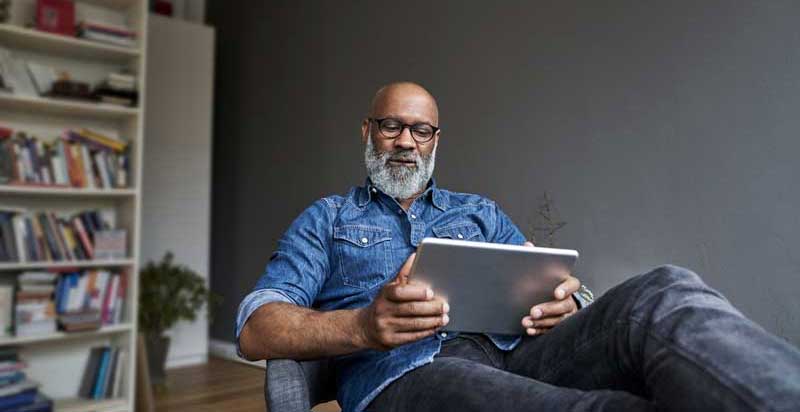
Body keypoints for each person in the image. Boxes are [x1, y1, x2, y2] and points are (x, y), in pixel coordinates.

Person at [236, 82, 800, 412]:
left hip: (518, 353)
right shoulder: (329, 218)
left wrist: (569, 302)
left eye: (421, 130)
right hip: (405, 374)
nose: (406, 141)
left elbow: (550, 281)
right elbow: (256, 327)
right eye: (391, 126)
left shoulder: (478, 212)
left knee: (665, 292)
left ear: (435, 141)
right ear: (367, 132)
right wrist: (363, 326)